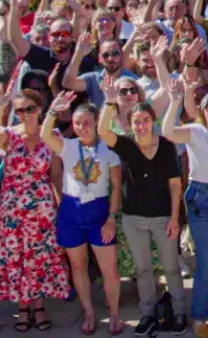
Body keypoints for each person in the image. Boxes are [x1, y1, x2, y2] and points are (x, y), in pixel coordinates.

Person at [0, 89, 69, 332]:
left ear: (39, 109)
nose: (25, 114)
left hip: (42, 205)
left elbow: (55, 172)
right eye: (20, 110)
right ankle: (23, 307)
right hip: (13, 206)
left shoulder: (51, 134)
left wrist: (61, 201)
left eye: (29, 108)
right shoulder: (8, 135)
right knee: (18, 256)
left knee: (39, 256)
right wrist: (0, 108)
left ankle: (39, 305)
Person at [40, 93, 125, 334]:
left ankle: (115, 315)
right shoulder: (67, 146)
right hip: (71, 211)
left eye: (87, 122)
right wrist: (53, 111)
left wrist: (111, 218)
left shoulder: (109, 148)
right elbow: (46, 135)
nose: (81, 128)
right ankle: (88, 313)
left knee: (109, 269)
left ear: (97, 122)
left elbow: (117, 187)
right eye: (77, 123)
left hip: (99, 212)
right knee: (78, 266)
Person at [152, 88, 208, 337]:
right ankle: (199, 317)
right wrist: (174, 102)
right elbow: (168, 132)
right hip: (202, 199)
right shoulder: (196, 132)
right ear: (203, 113)